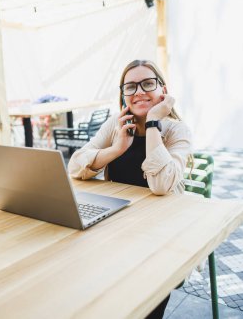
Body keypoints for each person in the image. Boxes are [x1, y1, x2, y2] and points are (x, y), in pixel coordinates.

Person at [68, 59, 192, 318]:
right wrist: (116, 149)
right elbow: (75, 166)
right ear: (123, 94)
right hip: (119, 228)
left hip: (162, 237)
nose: (138, 92)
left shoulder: (176, 130)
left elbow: (160, 186)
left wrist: (154, 122)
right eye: (130, 87)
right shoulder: (116, 124)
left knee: (141, 299)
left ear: (163, 90)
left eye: (147, 83)